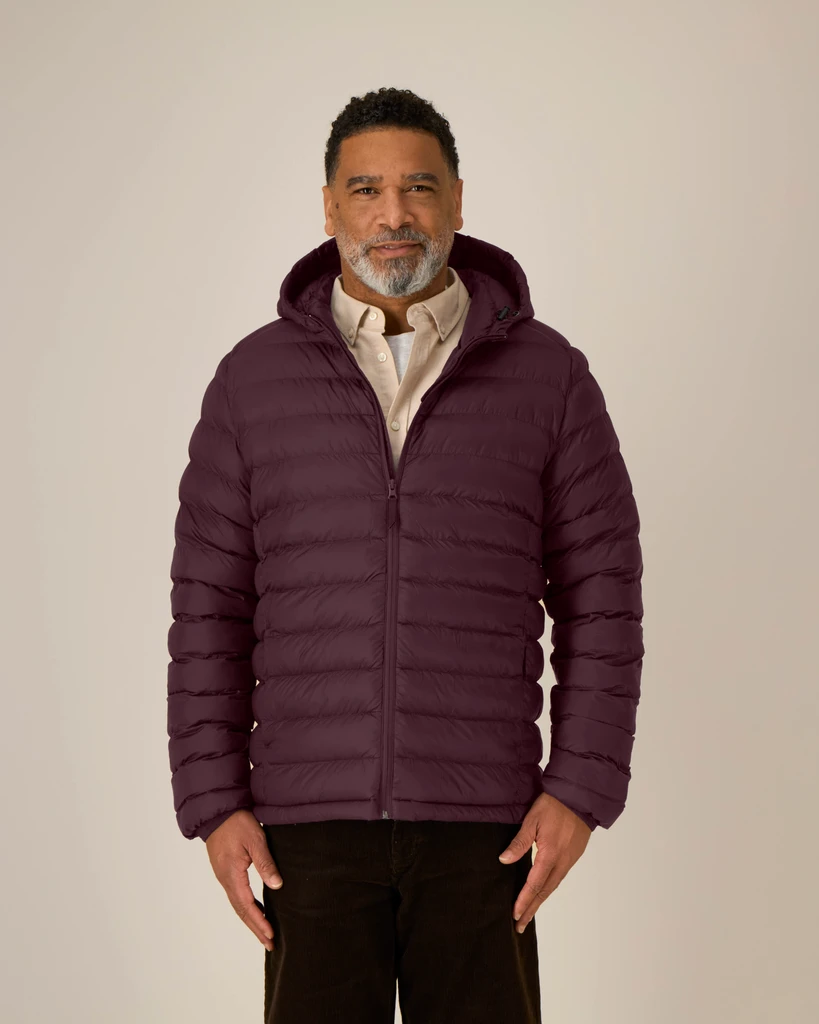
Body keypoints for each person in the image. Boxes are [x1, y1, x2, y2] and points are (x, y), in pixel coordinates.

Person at [166, 86, 644, 1024]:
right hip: (306, 828)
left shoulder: (548, 376)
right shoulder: (252, 382)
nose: (393, 214)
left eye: (418, 188)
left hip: (485, 827)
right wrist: (214, 799)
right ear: (329, 208)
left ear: (457, 201)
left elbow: (603, 596)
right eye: (366, 190)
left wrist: (581, 789)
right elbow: (208, 608)